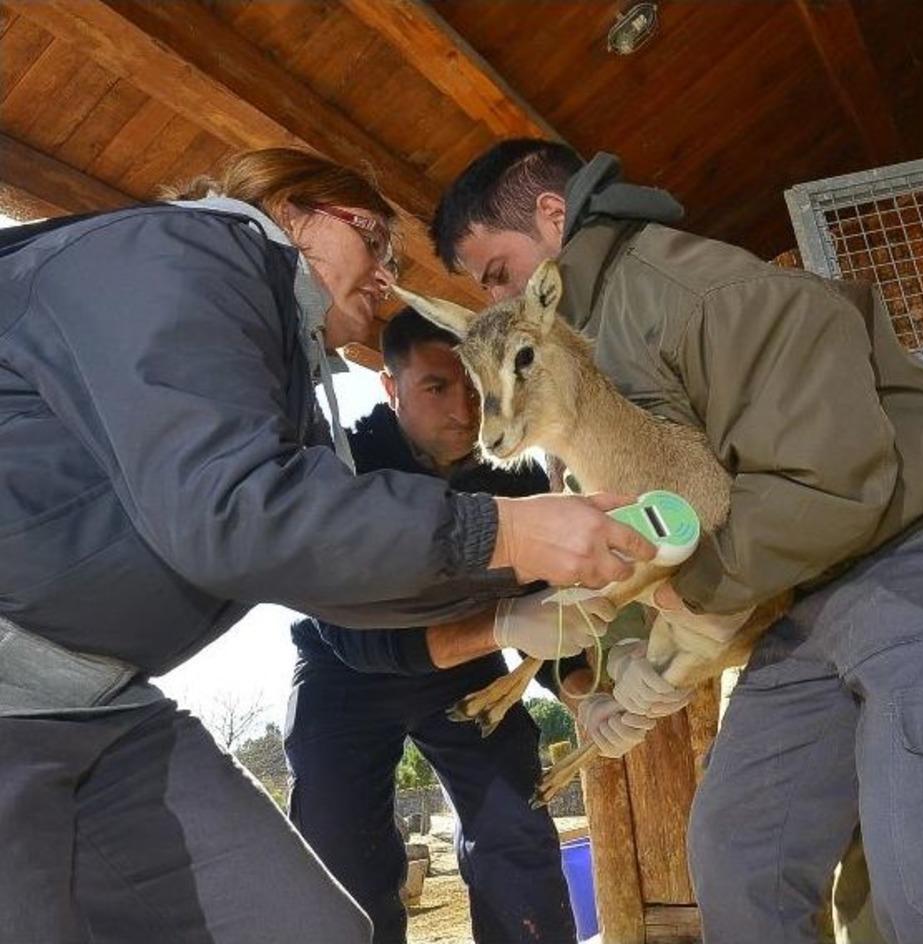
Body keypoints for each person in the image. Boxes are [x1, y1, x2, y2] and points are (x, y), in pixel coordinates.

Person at [0, 147, 657, 944]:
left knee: (317, 926)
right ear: (291, 209)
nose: (384, 275)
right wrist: (508, 535)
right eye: (373, 239)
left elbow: (324, 565)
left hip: (105, 701)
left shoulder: (288, 394)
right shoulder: (181, 252)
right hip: (51, 687)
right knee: (349, 855)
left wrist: (574, 663)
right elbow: (237, 515)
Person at [428, 140, 923, 943]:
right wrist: (625, 659)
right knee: (739, 859)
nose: (501, 299)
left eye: (497, 271)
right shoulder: (579, 354)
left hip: (914, 562)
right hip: (800, 603)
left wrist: (683, 613)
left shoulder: (697, 292)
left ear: (553, 219)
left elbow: (831, 482)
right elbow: (654, 520)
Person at [284, 307, 589, 944]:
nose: (465, 410)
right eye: (436, 387)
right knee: (341, 863)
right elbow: (358, 638)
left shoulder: (517, 472)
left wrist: (590, 685)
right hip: (345, 676)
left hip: (468, 669)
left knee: (517, 837)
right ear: (390, 387)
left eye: (476, 388)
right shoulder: (343, 467)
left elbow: (554, 604)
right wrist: (506, 624)